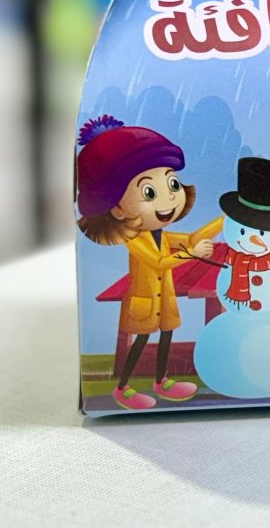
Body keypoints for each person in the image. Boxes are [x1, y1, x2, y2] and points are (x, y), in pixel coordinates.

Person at [76, 115, 222, 410]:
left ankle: (162, 381)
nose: (169, 200)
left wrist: (224, 221)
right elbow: (158, 262)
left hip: (164, 302)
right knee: (140, 343)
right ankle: (123, 388)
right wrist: (192, 254)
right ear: (117, 209)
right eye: (149, 193)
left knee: (167, 337)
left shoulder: (161, 234)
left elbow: (191, 238)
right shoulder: (135, 239)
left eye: (172, 184)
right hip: (143, 304)